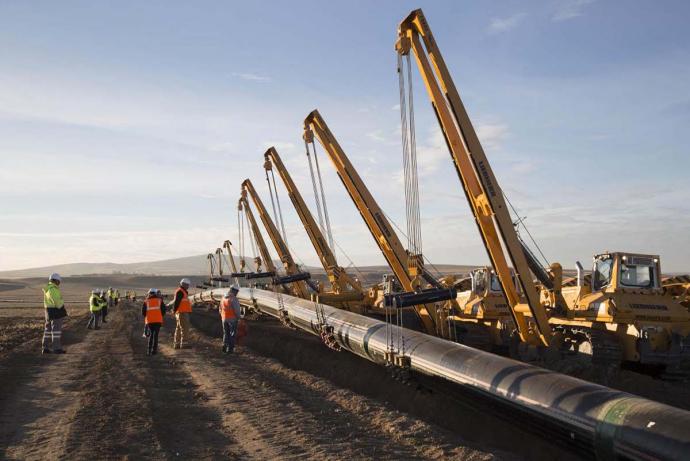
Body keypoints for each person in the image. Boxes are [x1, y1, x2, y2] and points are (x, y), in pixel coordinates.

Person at [42, 273, 68, 354]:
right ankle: (56, 349)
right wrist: (62, 303)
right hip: (56, 311)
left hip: (48, 311)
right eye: (59, 281)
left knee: (47, 330)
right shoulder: (53, 289)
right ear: (56, 280)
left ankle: (45, 348)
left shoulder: (48, 288)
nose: (59, 283)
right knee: (56, 330)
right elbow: (57, 302)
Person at [142, 288, 165, 355]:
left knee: (151, 335)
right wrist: (160, 316)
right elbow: (163, 311)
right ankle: (154, 351)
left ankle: (148, 350)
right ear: (155, 293)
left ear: (149, 293)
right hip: (158, 320)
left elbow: (143, 312)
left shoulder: (146, 301)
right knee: (156, 335)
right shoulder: (160, 300)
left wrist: (148, 316)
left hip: (149, 321)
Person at [172, 278, 193, 349]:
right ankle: (184, 344)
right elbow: (176, 302)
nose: (188, 286)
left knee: (178, 328)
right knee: (185, 328)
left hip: (180, 312)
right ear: (183, 284)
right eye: (187, 285)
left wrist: (174, 311)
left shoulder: (181, 291)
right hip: (182, 313)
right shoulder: (180, 292)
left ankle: (177, 344)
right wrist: (174, 310)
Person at [219, 286, 241, 354]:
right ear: (234, 291)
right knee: (232, 334)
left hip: (224, 319)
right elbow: (236, 310)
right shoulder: (233, 299)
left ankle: (224, 347)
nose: (237, 293)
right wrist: (239, 317)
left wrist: (223, 316)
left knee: (226, 333)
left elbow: (220, 309)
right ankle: (230, 349)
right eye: (237, 292)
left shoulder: (223, 298)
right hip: (232, 320)